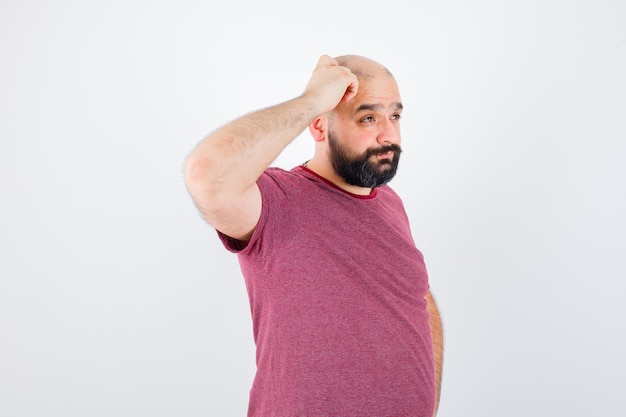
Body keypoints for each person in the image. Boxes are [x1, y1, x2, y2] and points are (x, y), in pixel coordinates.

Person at [184, 54, 443, 417]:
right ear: (319, 127)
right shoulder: (278, 201)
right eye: (368, 117)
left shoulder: (390, 202)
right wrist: (313, 100)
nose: (390, 135)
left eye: (395, 116)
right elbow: (206, 174)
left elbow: (418, 299)